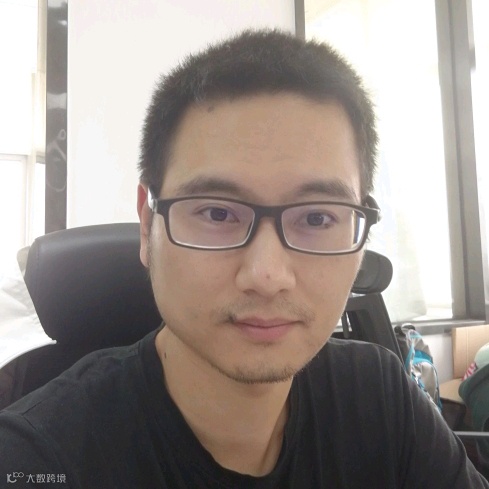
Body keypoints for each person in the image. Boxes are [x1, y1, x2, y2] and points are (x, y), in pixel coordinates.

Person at [0, 29, 487, 489]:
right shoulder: (35, 458)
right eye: (217, 213)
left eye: (317, 217)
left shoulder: (378, 396)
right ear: (148, 226)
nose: (266, 276)